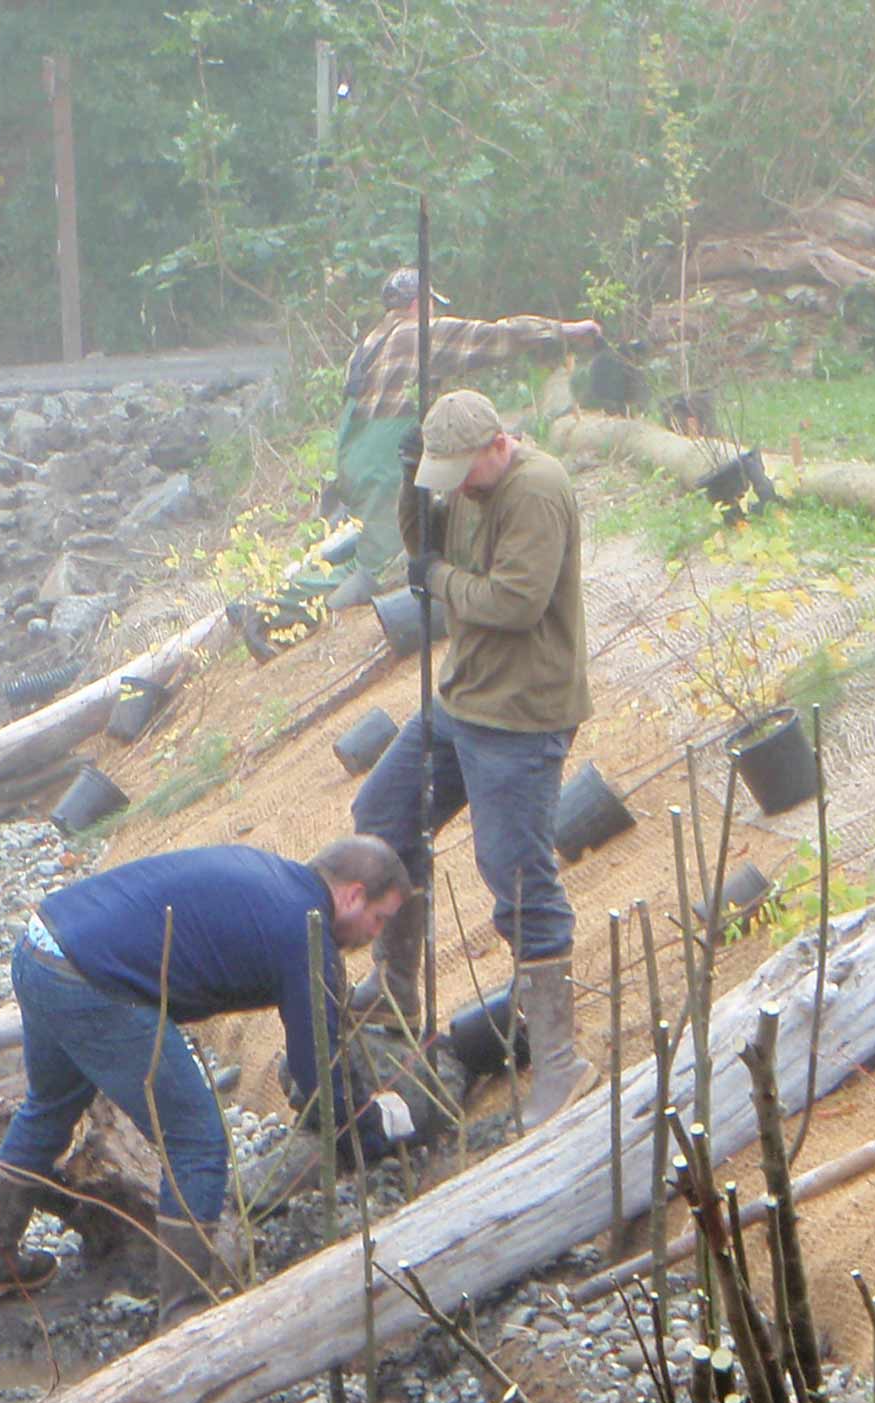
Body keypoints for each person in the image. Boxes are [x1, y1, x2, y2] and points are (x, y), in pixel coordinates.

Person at [0, 836, 416, 1303]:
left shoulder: (275, 882)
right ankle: (186, 1313)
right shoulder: (304, 930)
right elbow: (318, 1062)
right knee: (196, 1139)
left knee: (50, 1106)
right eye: (378, 919)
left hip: (41, 944)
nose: (373, 935)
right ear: (354, 894)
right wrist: (369, 1130)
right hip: (90, 982)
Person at [351, 387, 595, 1125]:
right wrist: (409, 489)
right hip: (461, 699)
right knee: (382, 814)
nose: (455, 488)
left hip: (519, 714)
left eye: (461, 473)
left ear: (497, 444)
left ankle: (558, 1057)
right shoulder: (463, 483)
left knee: (514, 871)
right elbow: (420, 551)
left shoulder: (536, 490)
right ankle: (396, 986)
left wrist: (439, 581)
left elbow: (516, 603)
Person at [330, 269, 601, 611]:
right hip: (381, 457)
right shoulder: (419, 334)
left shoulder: (367, 345)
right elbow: (494, 337)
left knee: (357, 546)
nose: (435, 313)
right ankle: (299, 613)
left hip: (352, 455)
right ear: (418, 304)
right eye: (432, 304)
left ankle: (286, 599)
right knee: (378, 560)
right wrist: (565, 332)